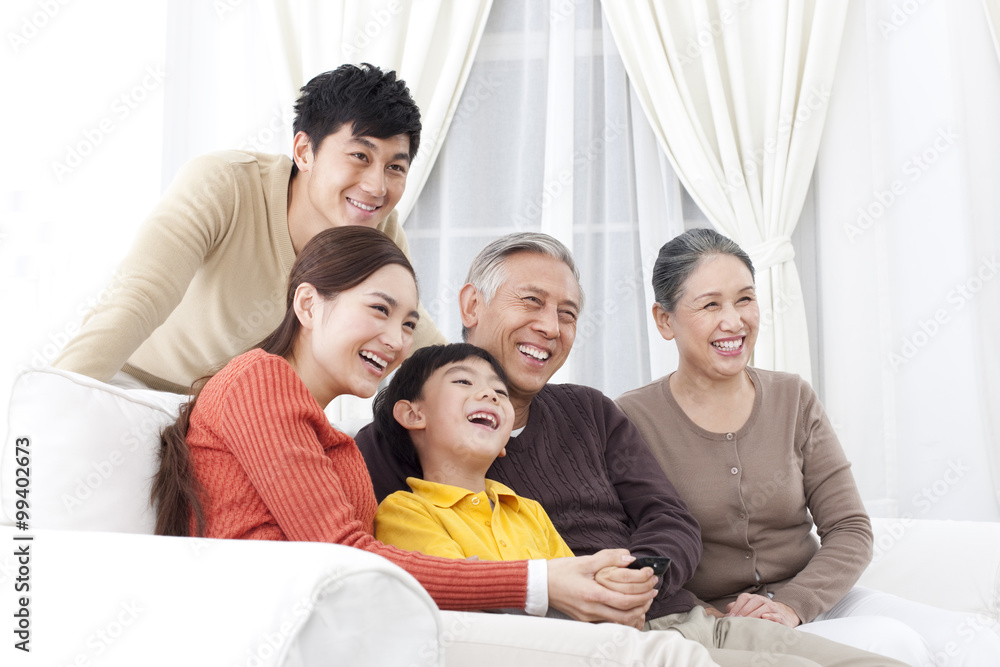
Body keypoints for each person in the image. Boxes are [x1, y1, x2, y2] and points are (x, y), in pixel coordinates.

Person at [149, 224, 723, 667]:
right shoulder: (259, 380)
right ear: (307, 305)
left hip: (356, 632)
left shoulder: (335, 444)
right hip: (284, 639)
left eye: (408, 323)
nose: (395, 340)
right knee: (666, 657)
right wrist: (545, 582)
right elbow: (354, 558)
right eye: (378, 310)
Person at [358, 231, 906, 667]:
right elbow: (371, 559)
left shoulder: (591, 411)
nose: (550, 326)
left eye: (568, 314)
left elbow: (669, 517)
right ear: (472, 305)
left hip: (675, 614)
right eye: (532, 301)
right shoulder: (402, 434)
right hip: (584, 640)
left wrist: (640, 578)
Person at [615, 227, 1000, 666]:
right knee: (893, 644)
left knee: (974, 640)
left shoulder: (792, 397)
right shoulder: (629, 419)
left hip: (816, 601)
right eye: (710, 304)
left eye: (745, 298)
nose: (734, 321)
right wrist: (701, 612)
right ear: (665, 320)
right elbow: (628, 550)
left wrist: (792, 604)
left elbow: (851, 528)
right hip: (716, 620)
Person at [54, 63, 445, 393]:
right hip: (133, 387)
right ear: (304, 151)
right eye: (360, 156)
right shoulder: (226, 184)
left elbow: (418, 342)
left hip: (238, 421)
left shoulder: (381, 231)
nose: (377, 187)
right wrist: (53, 400)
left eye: (395, 166)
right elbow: (138, 298)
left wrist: (487, 392)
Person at [372, 343, 574, 564]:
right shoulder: (404, 512)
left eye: (500, 392)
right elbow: (460, 589)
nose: (491, 395)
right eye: (463, 381)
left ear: (503, 444)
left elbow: (576, 585)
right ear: (413, 415)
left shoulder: (530, 512)